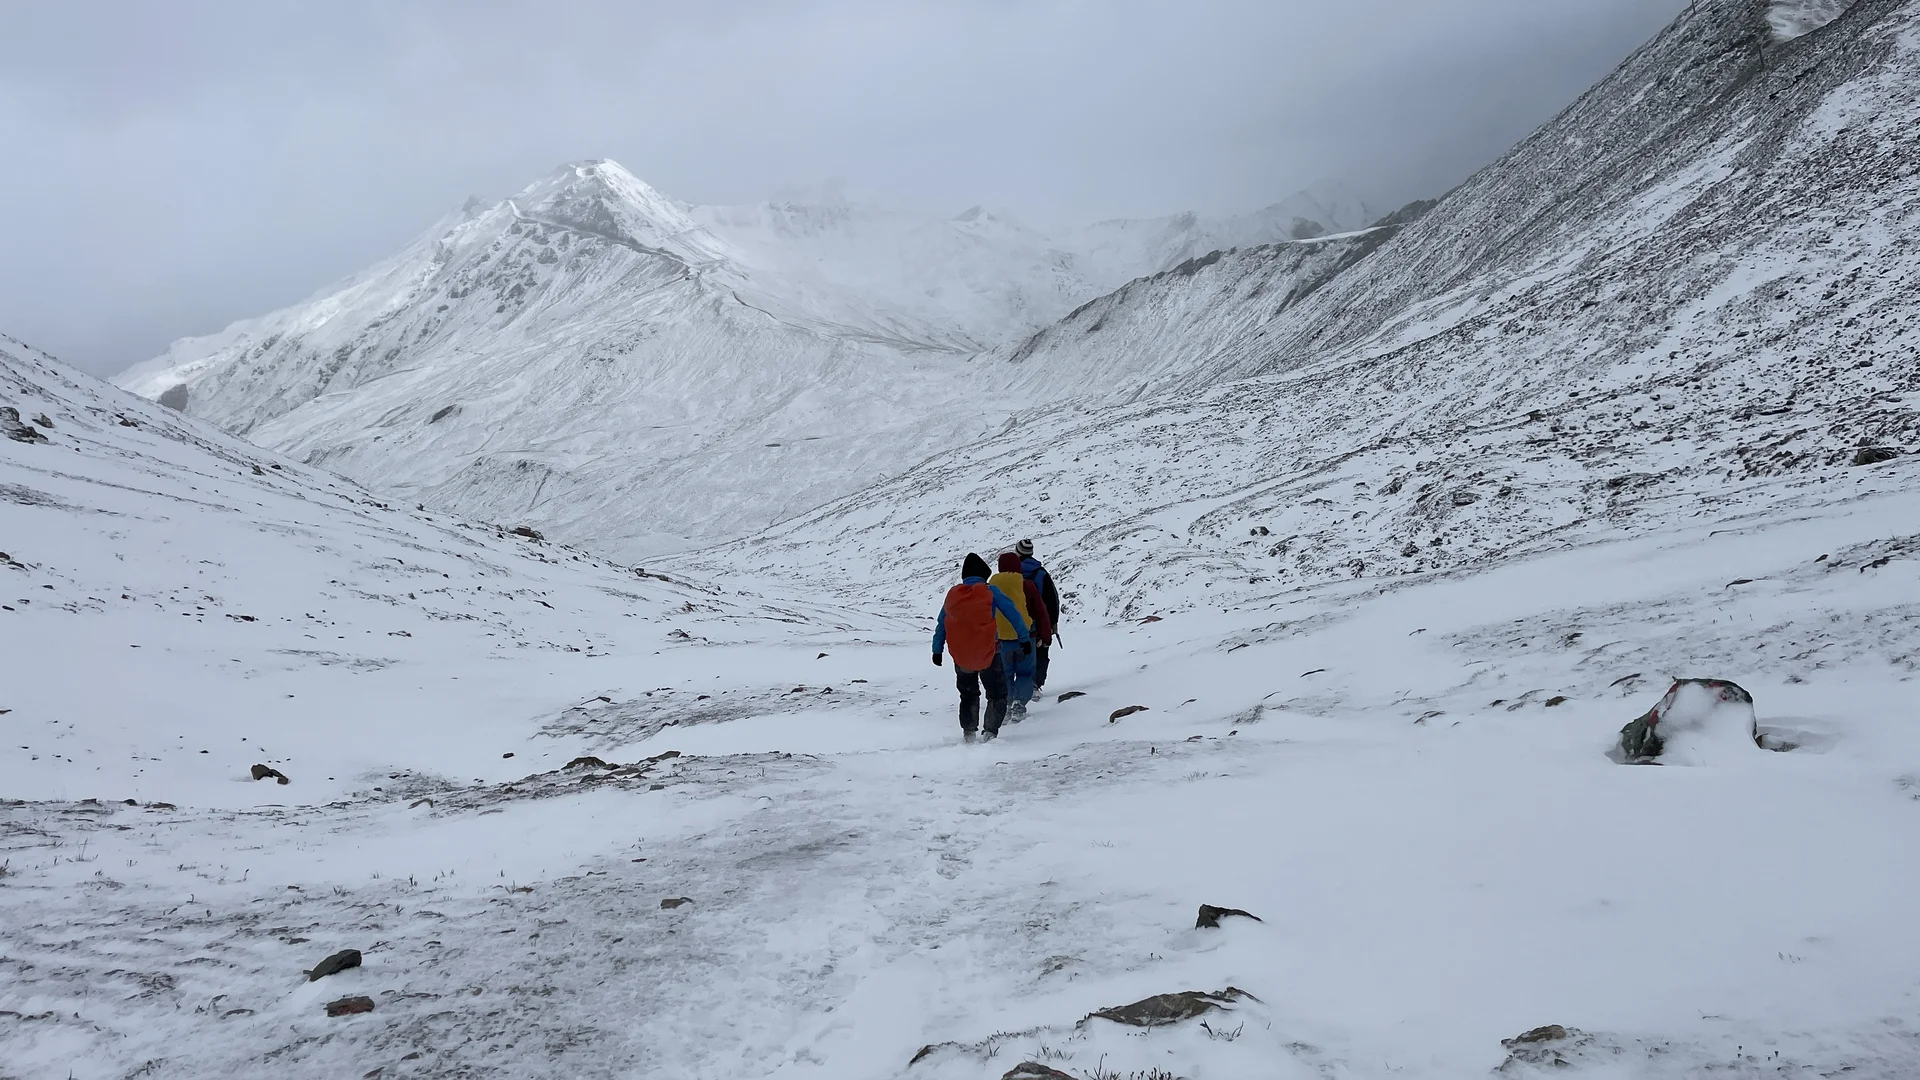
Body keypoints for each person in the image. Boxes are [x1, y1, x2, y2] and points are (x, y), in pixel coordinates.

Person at [932, 553, 1030, 742]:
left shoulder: (953, 594)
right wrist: (1024, 638)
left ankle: (969, 733)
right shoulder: (990, 591)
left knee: (968, 694)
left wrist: (937, 650)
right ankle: (990, 733)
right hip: (989, 651)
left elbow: (942, 622)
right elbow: (1012, 613)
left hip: (961, 655)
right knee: (996, 693)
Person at [991, 552, 1051, 720]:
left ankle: (1007, 705)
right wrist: (1046, 636)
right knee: (1025, 673)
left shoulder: (992, 585)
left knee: (1006, 674)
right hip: (1025, 637)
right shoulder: (1027, 585)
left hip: (1001, 639)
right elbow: (1041, 612)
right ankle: (1019, 704)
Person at [1015, 539, 1062, 692]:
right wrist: (1052, 623)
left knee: (1015, 656)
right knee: (1041, 654)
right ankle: (1035, 685)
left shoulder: (1010, 575)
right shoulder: (1041, 574)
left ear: (1018, 552)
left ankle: (1015, 688)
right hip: (1039, 622)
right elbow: (1052, 599)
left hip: (1014, 623)